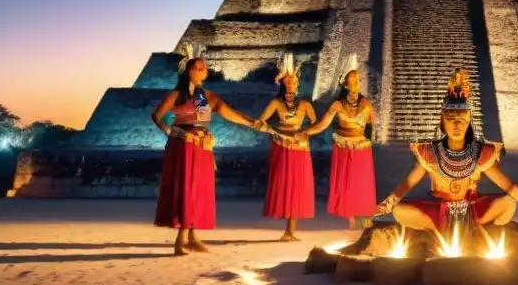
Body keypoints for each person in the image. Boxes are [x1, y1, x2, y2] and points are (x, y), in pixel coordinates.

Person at [375, 69, 518, 246]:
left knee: (507, 203)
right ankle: (437, 233)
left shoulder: (480, 152)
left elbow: (508, 185)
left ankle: (474, 232)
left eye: (461, 119)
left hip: (473, 210)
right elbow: (408, 183)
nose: (456, 125)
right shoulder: (429, 152)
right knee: (400, 211)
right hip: (439, 211)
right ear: (442, 121)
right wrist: (388, 204)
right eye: (451, 119)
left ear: (469, 121)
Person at [151, 44, 257, 256]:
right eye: (198, 68)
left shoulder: (208, 96)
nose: (203, 71)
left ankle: (192, 236)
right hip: (183, 145)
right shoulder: (176, 94)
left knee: (199, 189)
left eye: (204, 68)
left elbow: (229, 112)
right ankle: (181, 238)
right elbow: (157, 117)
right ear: (188, 71)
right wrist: (172, 132)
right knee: (186, 189)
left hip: (202, 145)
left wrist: (252, 122)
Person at [298, 55, 377, 230]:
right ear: (345, 85)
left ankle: (363, 217)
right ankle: (351, 220)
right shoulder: (337, 105)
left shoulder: (366, 104)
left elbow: (372, 127)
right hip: (344, 147)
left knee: (362, 184)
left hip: (361, 149)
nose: (356, 84)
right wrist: (306, 132)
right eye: (352, 81)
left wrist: (370, 141)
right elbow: (322, 124)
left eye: (358, 81)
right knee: (347, 185)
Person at [250, 52, 317, 241]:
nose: (292, 85)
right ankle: (288, 230)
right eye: (289, 82)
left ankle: (291, 230)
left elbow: (315, 123)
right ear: (283, 84)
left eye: (294, 82)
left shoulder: (304, 104)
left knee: (297, 187)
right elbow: (261, 122)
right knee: (286, 185)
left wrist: (305, 133)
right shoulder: (276, 103)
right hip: (282, 147)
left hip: (300, 148)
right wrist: (271, 130)